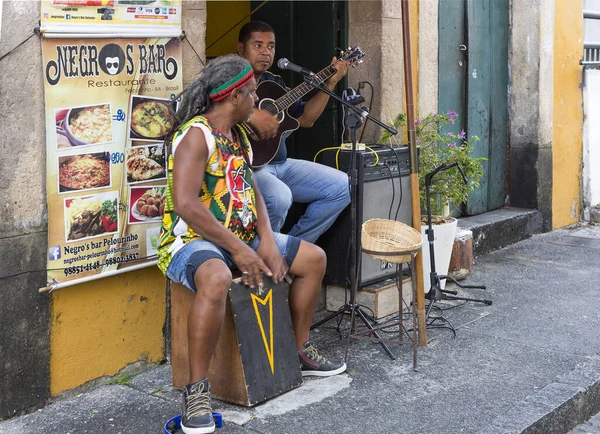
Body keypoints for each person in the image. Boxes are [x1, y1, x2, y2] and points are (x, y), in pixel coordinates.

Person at [157, 55, 346, 434]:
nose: (256, 97)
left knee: (313, 259)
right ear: (234, 96)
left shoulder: (238, 135)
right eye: (252, 92)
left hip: (239, 236)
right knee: (214, 277)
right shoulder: (197, 135)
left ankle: (299, 349)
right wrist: (241, 250)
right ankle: (197, 393)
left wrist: (266, 241)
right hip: (190, 240)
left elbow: (252, 188)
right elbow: (186, 205)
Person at [236, 21, 351, 243]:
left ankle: (289, 252)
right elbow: (212, 112)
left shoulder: (275, 83)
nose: (265, 52)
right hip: (250, 166)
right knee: (280, 197)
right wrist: (250, 116)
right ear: (241, 48)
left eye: (271, 46)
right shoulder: (227, 81)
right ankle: (262, 260)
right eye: (258, 45)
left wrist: (330, 84)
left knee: (341, 187)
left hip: (281, 164)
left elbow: (307, 119)